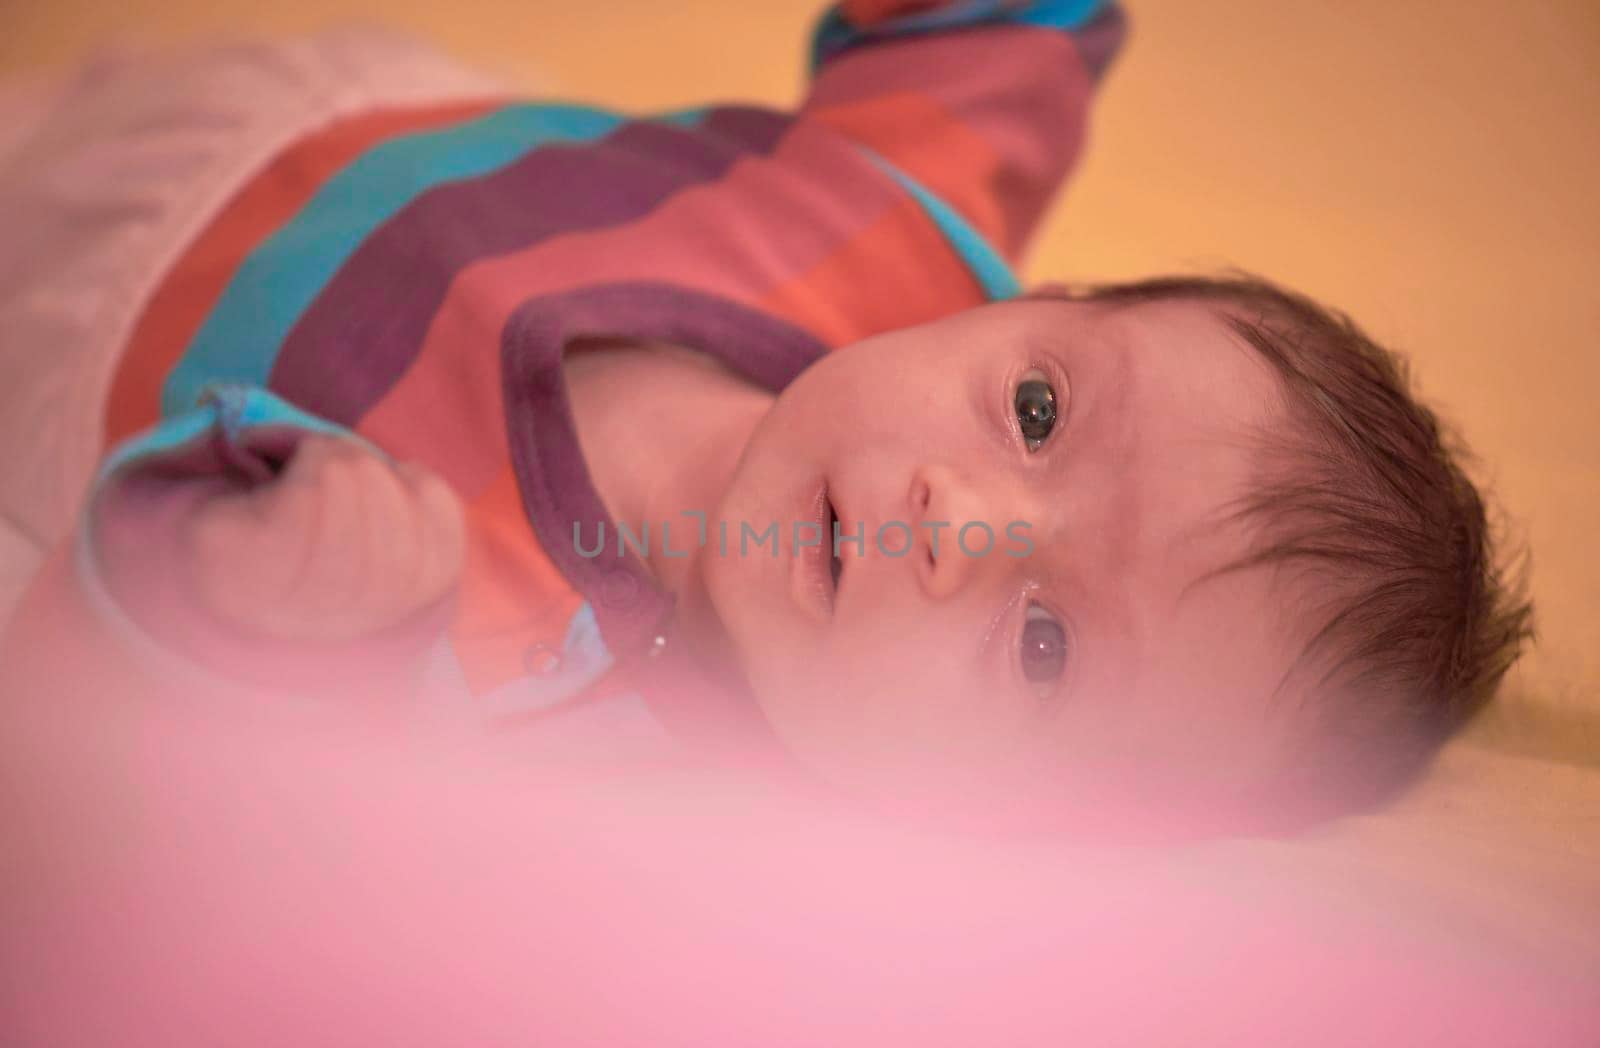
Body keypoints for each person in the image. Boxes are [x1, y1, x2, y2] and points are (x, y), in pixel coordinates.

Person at [0, 1, 1531, 833]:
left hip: (63, 408)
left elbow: (143, 821)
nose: (962, 519)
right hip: (260, 114)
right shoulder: (894, 228)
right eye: (1042, 408)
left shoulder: (579, 776)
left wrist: (264, 617)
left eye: (1047, 642)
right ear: (1022, 299)